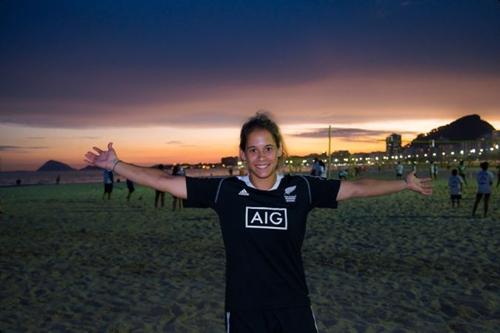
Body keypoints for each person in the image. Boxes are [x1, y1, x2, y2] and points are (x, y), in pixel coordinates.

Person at [84, 112, 432, 333]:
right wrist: (116, 165)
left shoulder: (303, 187)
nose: (261, 157)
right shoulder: (226, 191)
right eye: (253, 149)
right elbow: (164, 182)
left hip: (294, 305)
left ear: (279, 150)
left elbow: (355, 188)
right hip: (245, 308)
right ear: (242, 154)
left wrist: (404, 183)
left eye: (267, 148)